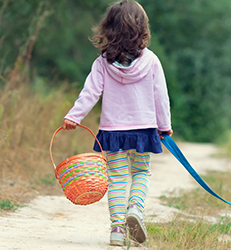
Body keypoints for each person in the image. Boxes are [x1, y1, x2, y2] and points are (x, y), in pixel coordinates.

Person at [61, 0, 172, 246]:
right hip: (143, 131)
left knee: (117, 178)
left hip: (112, 132)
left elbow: (89, 93)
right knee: (141, 172)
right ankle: (135, 208)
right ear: (142, 29)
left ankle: (117, 231)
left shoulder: (102, 63)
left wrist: (73, 116)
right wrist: (164, 126)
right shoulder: (151, 61)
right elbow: (160, 97)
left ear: (108, 29)